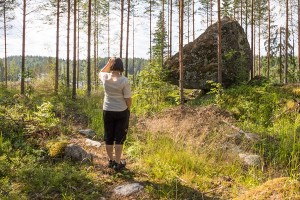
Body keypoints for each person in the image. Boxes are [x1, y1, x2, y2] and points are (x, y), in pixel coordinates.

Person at [99, 57, 132, 171]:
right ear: (121, 67)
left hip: (107, 110)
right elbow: (128, 99)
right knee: (119, 137)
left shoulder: (105, 77)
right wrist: (128, 109)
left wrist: (108, 63)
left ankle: (111, 161)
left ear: (111, 67)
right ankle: (117, 163)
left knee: (108, 137)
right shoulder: (124, 81)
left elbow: (102, 71)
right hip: (121, 111)